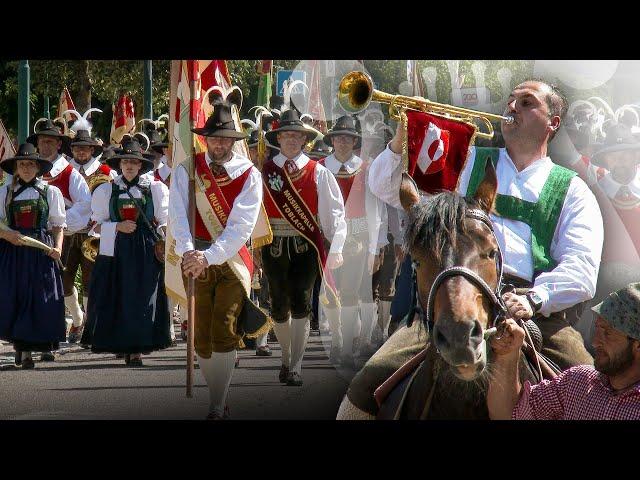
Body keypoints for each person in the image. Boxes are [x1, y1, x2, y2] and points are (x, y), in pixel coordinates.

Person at [368, 79, 602, 372]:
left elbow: (582, 268)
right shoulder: (466, 160)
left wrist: (535, 298)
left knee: (589, 384)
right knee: (368, 382)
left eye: (527, 102)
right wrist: (402, 134)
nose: (512, 107)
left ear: (552, 123)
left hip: (534, 311)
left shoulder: (574, 190)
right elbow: (386, 187)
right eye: (510, 100)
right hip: (454, 297)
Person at [169, 101, 265, 419]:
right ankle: (218, 396)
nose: (219, 143)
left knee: (224, 329)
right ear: (205, 139)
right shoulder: (187, 168)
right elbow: (177, 215)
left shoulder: (249, 175)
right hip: (193, 256)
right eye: (214, 138)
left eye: (225, 138)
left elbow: (241, 226)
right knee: (201, 334)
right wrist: (188, 253)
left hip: (231, 259)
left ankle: (216, 403)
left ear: (234, 141)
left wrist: (208, 257)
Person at [262, 108, 347, 386]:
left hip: (305, 245)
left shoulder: (319, 173)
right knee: (277, 306)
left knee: (301, 301)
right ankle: (285, 354)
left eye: (295, 135)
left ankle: (295, 364)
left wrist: (335, 249)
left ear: (303, 139)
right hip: (273, 245)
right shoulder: (264, 170)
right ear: (279, 137)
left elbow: (334, 214)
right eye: (286, 134)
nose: (290, 139)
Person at [487, 282, 640, 420]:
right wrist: (507, 355)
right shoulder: (577, 382)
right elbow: (509, 415)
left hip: (544, 303)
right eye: (597, 329)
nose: (595, 342)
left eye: (607, 333)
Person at [86, 138, 171, 366]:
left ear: (141, 165)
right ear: (120, 164)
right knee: (118, 295)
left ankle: (137, 348)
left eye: (133, 162)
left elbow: (164, 221)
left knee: (143, 297)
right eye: (125, 161)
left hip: (145, 248)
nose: (129, 166)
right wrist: (118, 226)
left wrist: (164, 237)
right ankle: (121, 344)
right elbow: (95, 226)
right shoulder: (106, 189)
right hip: (115, 248)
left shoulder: (155, 189)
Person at [319, 116, 386, 367]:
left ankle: (346, 348)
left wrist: (374, 247)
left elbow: (375, 209)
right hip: (327, 237)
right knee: (329, 292)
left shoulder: (366, 169)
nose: (342, 142)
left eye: (347, 138)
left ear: (354, 141)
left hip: (357, 237)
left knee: (349, 292)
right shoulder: (321, 167)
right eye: (338, 137)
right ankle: (336, 340)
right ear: (332, 140)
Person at [28, 119, 91, 360]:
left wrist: (58, 224)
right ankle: (72, 320)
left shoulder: (69, 173)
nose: (46, 144)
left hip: (62, 236)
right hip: (33, 240)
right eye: (42, 140)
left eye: (50, 141)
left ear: (58, 144)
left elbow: (84, 206)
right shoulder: (31, 167)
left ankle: (52, 337)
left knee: (56, 287)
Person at [0, 144, 66, 369]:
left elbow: (58, 225)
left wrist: (57, 248)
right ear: (16, 168)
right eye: (22, 164)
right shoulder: (5, 192)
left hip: (41, 251)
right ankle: (23, 349)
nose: (26, 168)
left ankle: (34, 346)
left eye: (30, 164)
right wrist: (8, 235)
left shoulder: (50, 192)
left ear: (38, 167)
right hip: (14, 251)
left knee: (41, 298)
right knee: (16, 297)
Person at [65, 129, 117, 343]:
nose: (80, 151)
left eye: (85, 147)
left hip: (94, 234)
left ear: (92, 150)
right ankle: (77, 318)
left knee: (91, 282)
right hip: (69, 233)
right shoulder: (65, 170)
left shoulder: (106, 171)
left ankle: (90, 325)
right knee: (64, 280)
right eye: (77, 147)